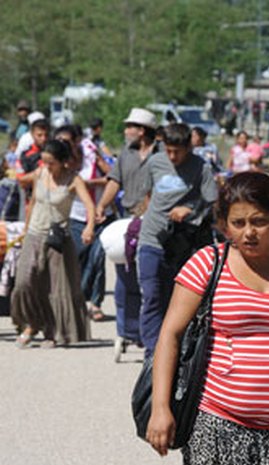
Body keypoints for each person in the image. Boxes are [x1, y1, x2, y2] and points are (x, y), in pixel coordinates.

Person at [146, 172, 269, 465]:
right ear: (224, 224)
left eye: (260, 221)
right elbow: (169, 335)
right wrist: (161, 408)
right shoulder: (207, 263)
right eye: (238, 223)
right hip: (216, 427)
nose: (249, 233)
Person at [137, 123, 218, 358]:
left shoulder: (201, 167)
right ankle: (153, 352)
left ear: (189, 147)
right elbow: (146, 193)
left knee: (177, 299)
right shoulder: (155, 163)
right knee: (152, 295)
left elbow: (211, 199)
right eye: (168, 151)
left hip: (182, 244)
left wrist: (190, 209)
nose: (172, 157)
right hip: (151, 238)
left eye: (178, 152)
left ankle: (176, 347)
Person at [12, 139, 95, 348]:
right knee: (23, 283)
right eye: (44, 161)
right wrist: (24, 229)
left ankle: (51, 331)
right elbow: (31, 199)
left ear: (63, 162)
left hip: (58, 238)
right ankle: (30, 323)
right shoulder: (40, 173)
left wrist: (89, 227)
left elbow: (89, 205)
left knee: (54, 289)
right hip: (33, 234)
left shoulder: (73, 180)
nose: (47, 166)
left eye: (51, 163)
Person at [95, 107, 162, 351]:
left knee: (151, 279)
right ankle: (127, 331)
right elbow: (114, 181)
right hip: (129, 220)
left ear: (142, 130)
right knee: (125, 277)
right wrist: (101, 205)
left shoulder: (163, 154)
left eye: (130, 126)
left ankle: (151, 332)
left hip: (156, 224)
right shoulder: (126, 154)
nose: (126, 131)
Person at [56, 125, 113, 321]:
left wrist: (90, 184)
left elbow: (111, 177)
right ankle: (77, 300)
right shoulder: (58, 159)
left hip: (101, 214)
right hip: (76, 216)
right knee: (78, 259)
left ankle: (95, 303)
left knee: (98, 257)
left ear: (77, 141)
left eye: (67, 141)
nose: (63, 145)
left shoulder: (90, 151)